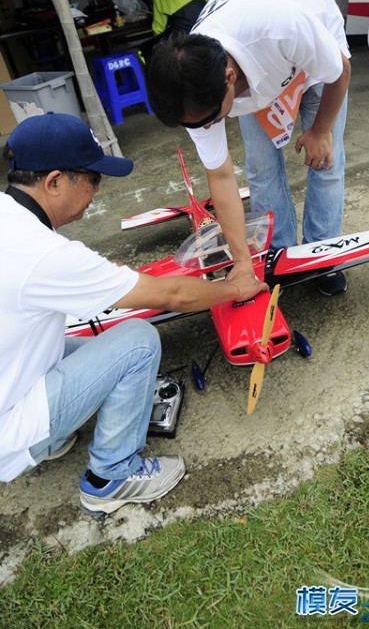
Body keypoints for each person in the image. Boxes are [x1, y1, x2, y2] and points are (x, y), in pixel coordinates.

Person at [0, 112, 267, 515]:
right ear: (54, 181)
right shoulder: (45, 255)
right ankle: (110, 477)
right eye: (93, 178)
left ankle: (54, 437)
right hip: (8, 430)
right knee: (138, 341)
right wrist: (234, 287)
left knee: (73, 340)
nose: (97, 190)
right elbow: (171, 293)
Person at [147, 0, 351, 296]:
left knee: (325, 159)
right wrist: (242, 262)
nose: (206, 128)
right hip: (259, 62)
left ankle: (321, 256)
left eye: (210, 119)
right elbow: (222, 177)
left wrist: (321, 130)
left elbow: (339, 71)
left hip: (306, 41)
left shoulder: (282, 27)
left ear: (229, 79)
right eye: (194, 124)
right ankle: (279, 256)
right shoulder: (192, 92)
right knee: (260, 167)